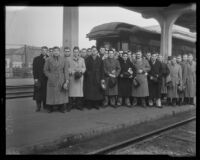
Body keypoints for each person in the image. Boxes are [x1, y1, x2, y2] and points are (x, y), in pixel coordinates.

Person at [43, 46, 69, 113]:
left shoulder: (64, 59)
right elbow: (45, 70)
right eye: (55, 51)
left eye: (57, 51)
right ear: (53, 52)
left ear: (59, 52)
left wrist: (66, 81)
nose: (56, 52)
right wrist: (50, 76)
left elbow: (66, 71)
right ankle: (50, 108)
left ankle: (61, 108)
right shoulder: (48, 60)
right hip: (52, 79)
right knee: (51, 94)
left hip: (61, 78)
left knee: (61, 94)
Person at [33, 46, 49, 112]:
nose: (44, 51)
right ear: (41, 51)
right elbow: (34, 69)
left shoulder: (49, 59)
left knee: (46, 93)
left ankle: (45, 105)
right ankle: (38, 106)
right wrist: (35, 78)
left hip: (47, 79)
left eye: (45, 50)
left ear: (47, 51)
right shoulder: (36, 59)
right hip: (39, 79)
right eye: (43, 50)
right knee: (38, 93)